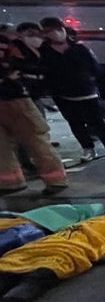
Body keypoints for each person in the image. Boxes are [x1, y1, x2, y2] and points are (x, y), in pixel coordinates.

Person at [38, 17, 105, 162]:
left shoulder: (79, 49)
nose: (57, 33)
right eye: (51, 31)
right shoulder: (44, 52)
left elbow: (95, 69)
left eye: (59, 29)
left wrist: (89, 80)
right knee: (76, 123)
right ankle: (88, 149)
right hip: (63, 95)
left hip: (87, 92)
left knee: (98, 122)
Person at [0, 29, 68, 196]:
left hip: (14, 99)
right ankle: (10, 182)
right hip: (9, 96)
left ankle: (56, 180)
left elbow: (31, 65)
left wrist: (10, 75)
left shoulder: (10, 43)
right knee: (2, 146)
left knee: (35, 140)